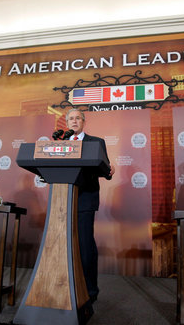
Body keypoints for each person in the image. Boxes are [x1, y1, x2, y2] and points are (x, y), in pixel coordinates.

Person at [66, 108, 115, 304]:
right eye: (71, 119)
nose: (74, 121)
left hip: (85, 199)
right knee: (64, 244)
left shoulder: (96, 142)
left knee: (85, 245)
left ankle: (89, 290)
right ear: (67, 123)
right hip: (63, 199)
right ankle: (66, 285)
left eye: (78, 118)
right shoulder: (60, 143)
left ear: (83, 122)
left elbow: (106, 169)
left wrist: (110, 170)